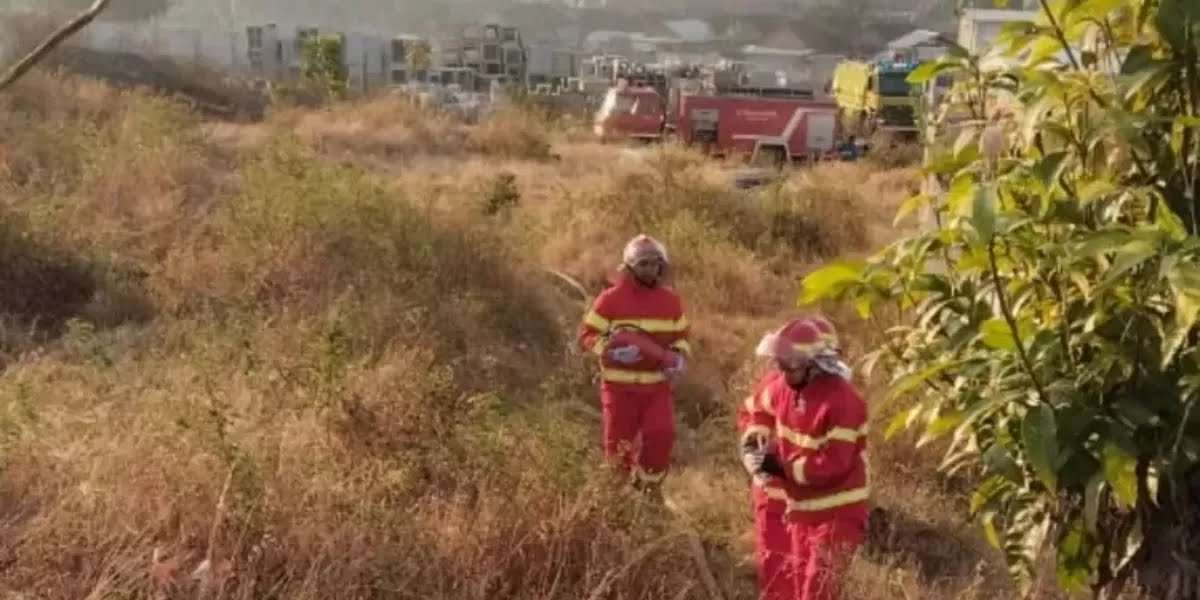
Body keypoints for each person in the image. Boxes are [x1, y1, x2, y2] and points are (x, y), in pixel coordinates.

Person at [741, 319, 869, 600]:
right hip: (800, 510)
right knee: (794, 584)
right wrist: (753, 440)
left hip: (837, 512)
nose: (783, 372)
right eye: (780, 364)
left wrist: (781, 468)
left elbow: (834, 464)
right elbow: (758, 408)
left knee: (818, 590)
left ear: (815, 364)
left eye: (791, 365)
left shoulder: (842, 402)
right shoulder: (783, 387)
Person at [578, 234, 691, 497]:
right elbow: (587, 335)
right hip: (619, 389)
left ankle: (648, 492)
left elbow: (682, 337)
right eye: (643, 264)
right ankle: (615, 499)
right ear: (630, 267)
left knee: (661, 436)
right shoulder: (610, 300)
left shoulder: (670, 301)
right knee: (618, 448)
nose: (650, 270)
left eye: (655, 264)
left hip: (656, 387)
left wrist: (678, 356)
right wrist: (609, 351)